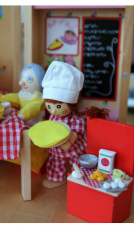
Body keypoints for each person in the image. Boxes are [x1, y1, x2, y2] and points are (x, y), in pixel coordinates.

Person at [41, 60, 109, 188]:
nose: (53, 111)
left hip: (72, 147)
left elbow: (75, 133)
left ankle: (79, 179)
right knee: (56, 161)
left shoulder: (75, 118)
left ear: (71, 104)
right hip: (57, 147)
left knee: (76, 162)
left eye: (58, 106)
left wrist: (69, 142)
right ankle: (57, 179)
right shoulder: (53, 116)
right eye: (49, 106)